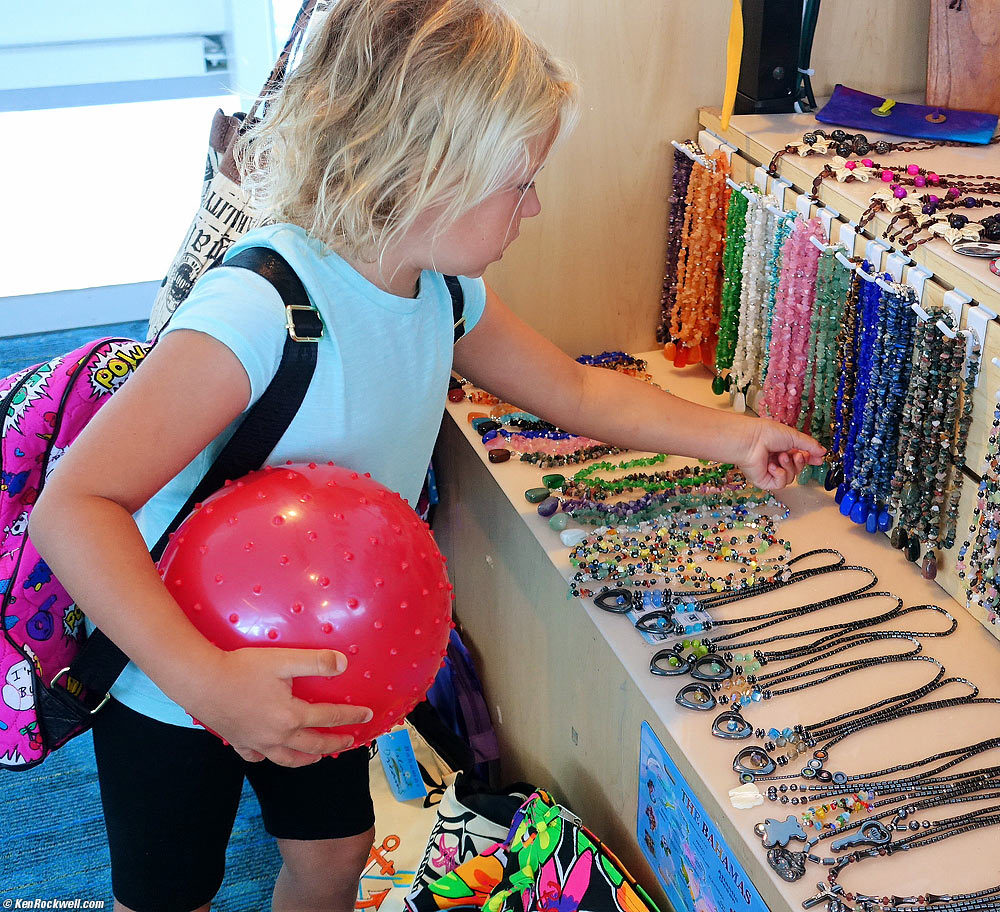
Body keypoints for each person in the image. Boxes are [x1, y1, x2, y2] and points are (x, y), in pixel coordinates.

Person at [29, 1, 825, 910]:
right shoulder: (259, 307)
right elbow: (74, 506)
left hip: (324, 662)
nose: (536, 206)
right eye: (520, 182)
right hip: (167, 676)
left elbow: (576, 392)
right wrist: (205, 680)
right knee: (171, 888)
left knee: (335, 853)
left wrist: (736, 436)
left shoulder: (445, 292)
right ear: (427, 175)